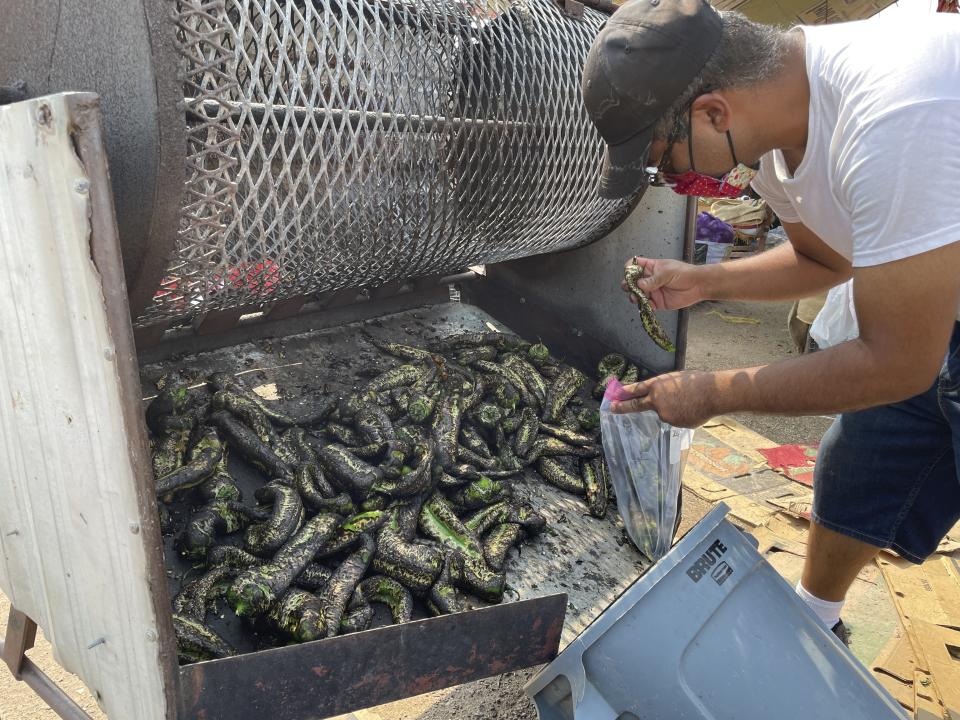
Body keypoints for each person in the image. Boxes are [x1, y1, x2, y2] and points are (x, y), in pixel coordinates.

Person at [581, 0, 960, 642]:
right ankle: (814, 625)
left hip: (932, 296)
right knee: (860, 455)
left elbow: (897, 361)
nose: (674, 180)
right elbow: (825, 256)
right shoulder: (781, 129)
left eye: (666, 160)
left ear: (713, 113)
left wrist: (716, 392)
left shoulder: (891, 120)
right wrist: (703, 279)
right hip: (937, 283)